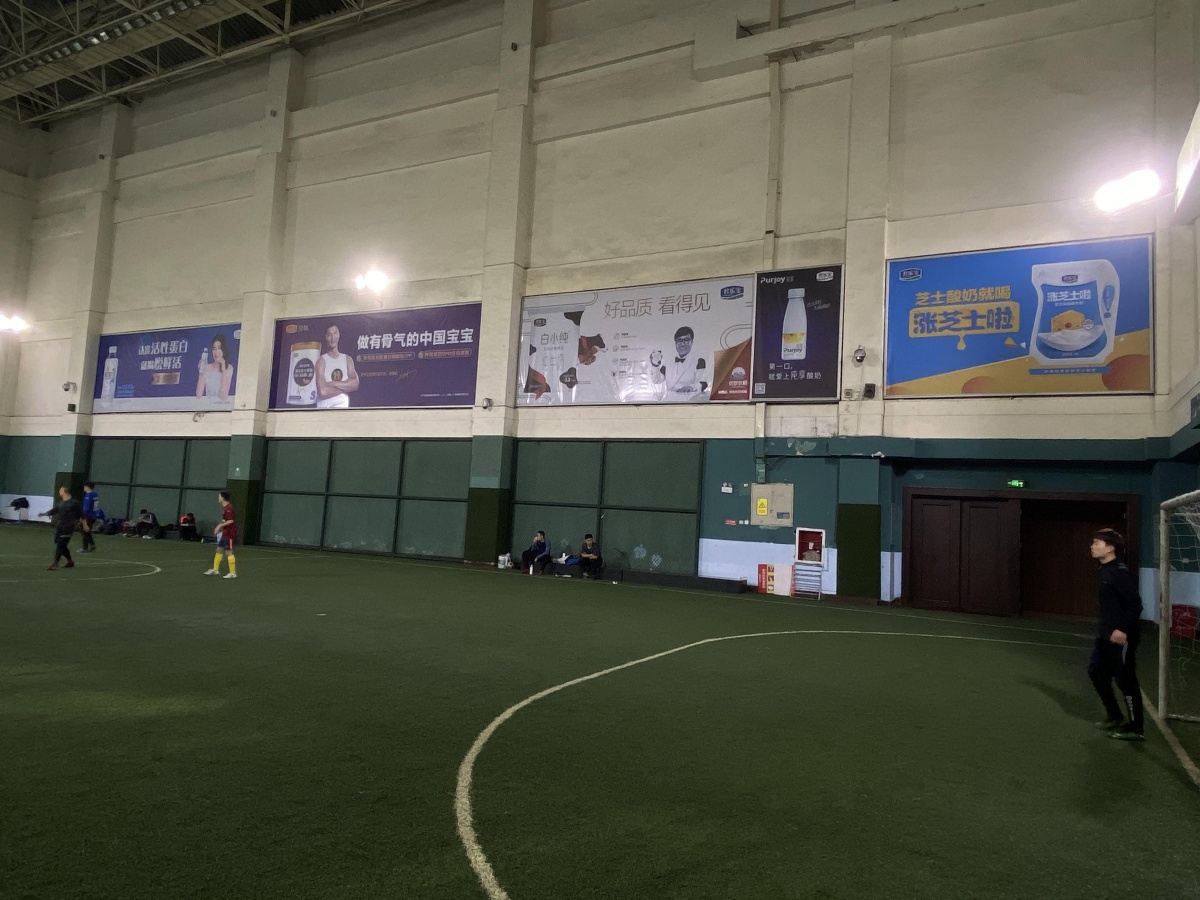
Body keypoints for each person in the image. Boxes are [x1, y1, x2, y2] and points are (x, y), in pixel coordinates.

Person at [1087, 528, 1144, 741]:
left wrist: (1122, 629)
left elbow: (1135, 605)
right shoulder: (1103, 570)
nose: (1092, 546)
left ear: (1110, 548)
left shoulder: (1119, 572)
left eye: (1096, 543)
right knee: (1096, 673)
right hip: (1105, 636)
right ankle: (1115, 715)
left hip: (1122, 638)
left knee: (1125, 681)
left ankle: (1136, 728)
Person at [649, 326, 708, 399]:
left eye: (686, 340)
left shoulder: (699, 361)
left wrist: (692, 387)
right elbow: (656, 380)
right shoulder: (668, 361)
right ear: (675, 343)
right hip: (670, 400)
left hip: (690, 400)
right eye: (679, 340)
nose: (682, 344)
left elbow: (703, 383)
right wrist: (655, 365)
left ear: (692, 342)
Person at [315, 324, 360, 409]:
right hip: (325, 411)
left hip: (343, 410)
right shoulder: (321, 361)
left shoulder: (347, 359)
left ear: (339, 334)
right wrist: (345, 387)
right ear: (326, 337)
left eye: (335, 333)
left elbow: (355, 384)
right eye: (329, 335)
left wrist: (333, 383)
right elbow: (323, 392)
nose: (333, 338)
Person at [41, 485, 81, 571]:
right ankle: (70, 561)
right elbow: (55, 510)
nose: (59, 492)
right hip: (60, 526)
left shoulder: (74, 503)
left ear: (64, 492)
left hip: (68, 526)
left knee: (61, 544)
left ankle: (55, 563)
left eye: (61, 490)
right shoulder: (61, 502)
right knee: (62, 545)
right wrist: (45, 514)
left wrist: (82, 524)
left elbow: (80, 514)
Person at [205, 491, 238, 579]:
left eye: (219, 496)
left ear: (223, 498)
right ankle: (215, 569)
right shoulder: (225, 508)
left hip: (230, 533)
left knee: (229, 552)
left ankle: (232, 573)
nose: (218, 498)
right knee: (219, 550)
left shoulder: (229, 508)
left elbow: (231, 521)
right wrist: (220, 528)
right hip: (225, 533)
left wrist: (219, 526)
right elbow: (225, 521)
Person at [196, 333, 236, 401]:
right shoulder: (207, 367)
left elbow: (223, 396)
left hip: (223, 405)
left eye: (219, 348)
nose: (216, 352)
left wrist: (223, 370)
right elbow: (199, 394)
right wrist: (201, 373)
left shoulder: (229, 368)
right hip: (209, 405)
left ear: (223, 350)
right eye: (214, 349)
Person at [79, 482, 100, 552]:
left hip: (88, 516)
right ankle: (91, 544)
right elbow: (96, 506)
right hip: (93, 515)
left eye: (84, 486)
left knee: (84, 531)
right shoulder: (95, 495)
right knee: (87, 531)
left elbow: (86, 508)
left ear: (87, 487)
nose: (84, 488)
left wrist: (82, 516)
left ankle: (85, 547)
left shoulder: (88, 496)